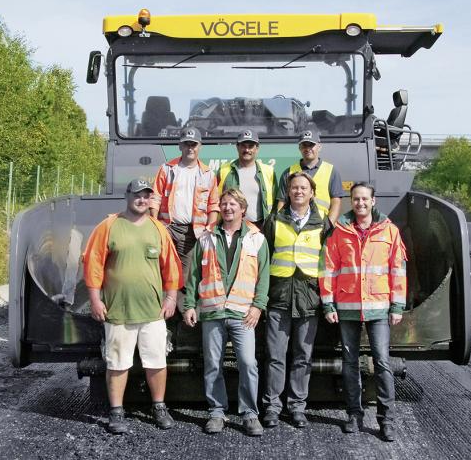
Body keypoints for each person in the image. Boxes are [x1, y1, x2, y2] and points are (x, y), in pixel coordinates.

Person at [83, 178, 183, 434]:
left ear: (151, 199)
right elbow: (93, 263)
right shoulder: (109, 226)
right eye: (137, 195)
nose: (141, 200)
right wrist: (95, 299)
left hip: (152, 312)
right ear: (127, 196)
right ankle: (116, 412)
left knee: (157, 361)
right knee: (117, 363)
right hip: (118, 311)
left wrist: (171, 298)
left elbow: (171, 267)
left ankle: (159, 407)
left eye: (146, 196)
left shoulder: (158, 229)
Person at [320, 182, 407, 441]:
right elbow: (328, 269)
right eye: (356, 199)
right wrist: (328, 304)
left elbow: (398, 270)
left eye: (364, 199)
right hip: (347, 308)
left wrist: (397, 305)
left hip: (378, 309)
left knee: (382, 362)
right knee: (350, 362)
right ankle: (354, 414)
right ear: (352, 201)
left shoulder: (389, 231)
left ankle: (386, 420)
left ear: (373, 201)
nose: (360, 203)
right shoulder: (339, 231)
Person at [183, 188, 270, 437]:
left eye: (233, 204)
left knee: (248, 363)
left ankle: (250, 414)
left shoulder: (256, 238)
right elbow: (194, 275)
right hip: (213, 312)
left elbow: (263, 275)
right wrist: (189, 305)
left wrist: (258, 306)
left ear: (243, 209)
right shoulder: (206, 237)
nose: (228, 208)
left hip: (243, 314)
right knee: (213, 364)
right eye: (224, 204)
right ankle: (217, 412)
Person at [261, 171, 330, 429]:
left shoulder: (323, 223)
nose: (298, 191)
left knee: (303, 356)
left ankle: (297, 407)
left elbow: (329, 262)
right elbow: (263, 260)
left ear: (312, 193)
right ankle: (272, 406)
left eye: (303, 188)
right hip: (278, 297)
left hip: (309, 299)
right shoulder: (274, 220)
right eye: (294, 188)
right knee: (275, 356)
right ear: (288, 192)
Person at [150, 126, 220, 292]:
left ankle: (179, 308)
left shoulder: (208, 174)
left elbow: (213, 204)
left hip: (192, 233)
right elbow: (155, 198)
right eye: (186, 144)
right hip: (167, 228)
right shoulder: (167, 169)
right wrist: (155, 224)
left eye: (193, 144)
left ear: (199, 146)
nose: (190, 148)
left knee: (185, 277)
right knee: (161, 270)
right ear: (180, 146)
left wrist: (210, 227)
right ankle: (163, 306)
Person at [276, 128, 345, 224]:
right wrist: (281, 224)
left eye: (311, 145)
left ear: (319, 147)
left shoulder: (331, 171)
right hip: (294, 225)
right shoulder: (288, 172)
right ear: (299, 148)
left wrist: (328, 226)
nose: (307, 149)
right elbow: (282, 202)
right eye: (304, 145)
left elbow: (336, 203)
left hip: (321, 225)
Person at [217, 129, 277, 229]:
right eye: (243, 146)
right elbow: (216, 200)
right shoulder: (224, 170)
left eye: (251, 146)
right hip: (233, 227)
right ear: (237, 147)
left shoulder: (268, 171)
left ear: (257, 148)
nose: (247, 150)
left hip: (261, 227)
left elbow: (276, 202)